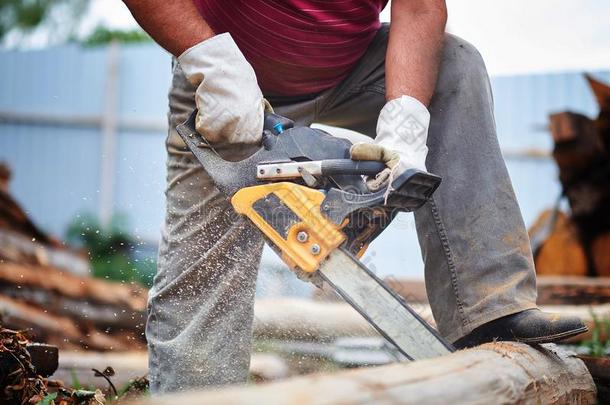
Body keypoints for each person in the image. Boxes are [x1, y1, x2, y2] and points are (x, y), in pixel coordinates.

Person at [122, 0, 587, 393]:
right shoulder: (216, 71)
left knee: (455, 64)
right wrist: (211, 63)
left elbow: (421, 5)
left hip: (356, 67)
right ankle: (196, 395)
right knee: (203, 272)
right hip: (223, 74)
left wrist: (405, 123)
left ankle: (490, 309)